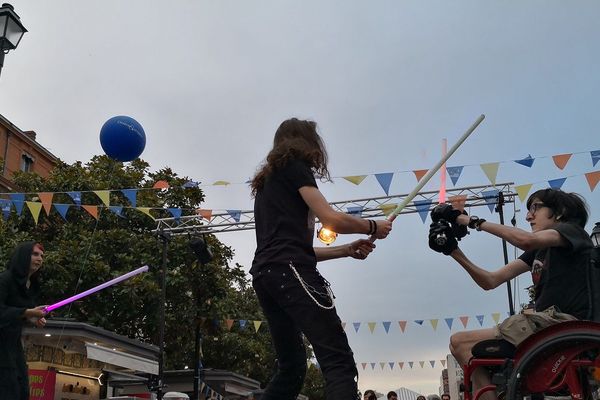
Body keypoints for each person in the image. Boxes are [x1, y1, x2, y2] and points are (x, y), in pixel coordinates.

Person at [250, 118, 392, 400]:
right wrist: (373, 226)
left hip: (267, 276)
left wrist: (346, 249)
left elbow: (298, 249)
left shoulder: (268, 184)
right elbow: (331, 219)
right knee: (338, 360)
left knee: (291, 369)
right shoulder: (295, 168)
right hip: (290, 271)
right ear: (306, 142)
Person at [428, 188, 593, 400]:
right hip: (546, 326)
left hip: (563, 324)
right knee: (458, 344)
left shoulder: (572, 231)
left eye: (535, 207)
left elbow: (524, 239)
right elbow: (490, 281)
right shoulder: (538, 251)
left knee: (460, 343)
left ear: (559, 212)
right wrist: (452, 250)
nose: (528, 215)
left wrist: (468, 220)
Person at [0, 242, 48, 400]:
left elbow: (18, 315)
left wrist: (32, 319)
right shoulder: (5, 279)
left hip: (13, 344)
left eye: (41, 255)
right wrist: (28, 312)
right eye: (35, 254)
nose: (40, 259)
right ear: (23, 256)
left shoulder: (31, 286)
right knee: (9, 389)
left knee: (22, 389)